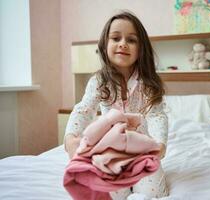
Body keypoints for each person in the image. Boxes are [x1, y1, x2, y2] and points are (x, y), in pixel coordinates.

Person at [64, 11, 169, 199]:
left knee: (153, 194)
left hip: (142, 151)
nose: (123, 44)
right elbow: (84, 109)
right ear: (105, 46)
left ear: (141, 48)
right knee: (111, 194)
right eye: (115, 38)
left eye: (131, 40)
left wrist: (160, 144)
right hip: (109, 151)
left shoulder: (149, 83)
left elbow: (157, 115)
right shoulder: (99, 81)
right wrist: (70, 138)